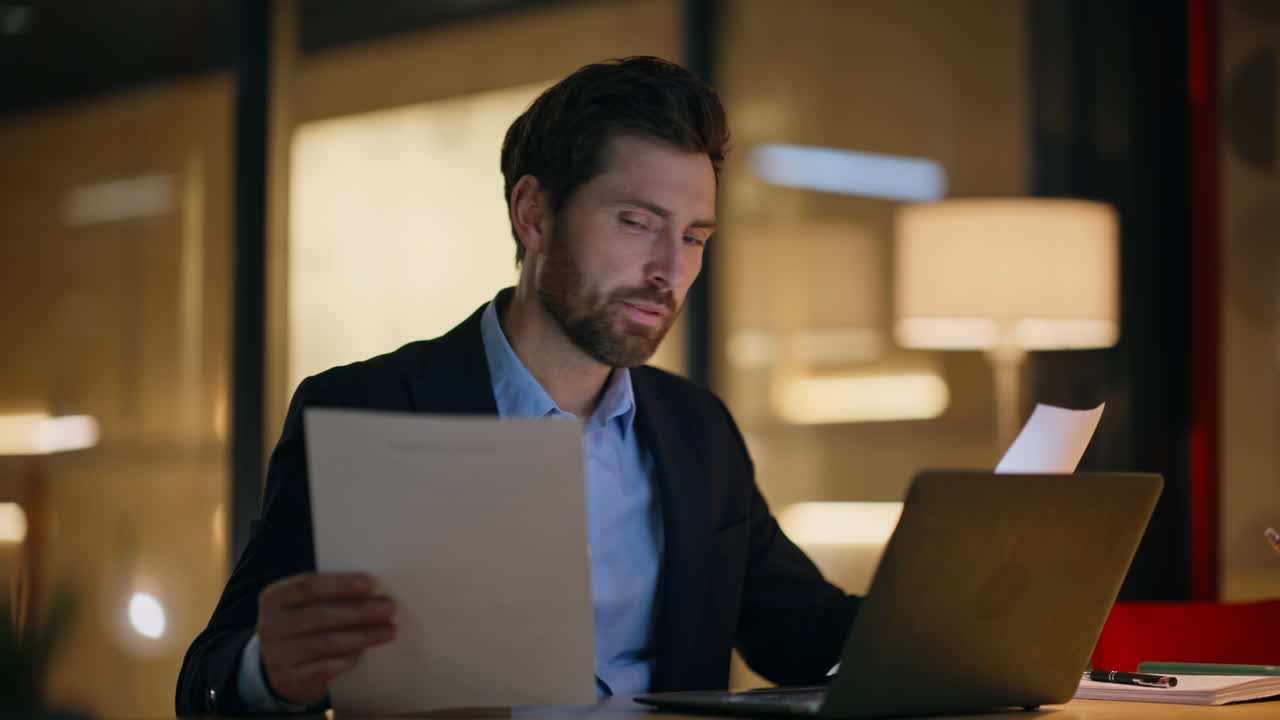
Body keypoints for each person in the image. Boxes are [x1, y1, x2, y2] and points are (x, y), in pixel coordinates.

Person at [175, 56, 859, 716]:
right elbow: (207, 683)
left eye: (694, 238)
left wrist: (952, 616)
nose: (669, 270)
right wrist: (267, 672)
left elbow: (809, 640)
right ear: (532, 214)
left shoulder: (698, 428)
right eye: (637, 223)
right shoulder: (366, 407)